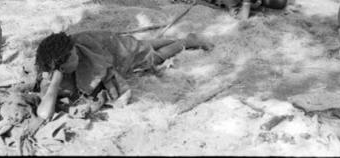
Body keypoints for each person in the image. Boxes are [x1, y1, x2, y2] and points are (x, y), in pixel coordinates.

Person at [34, 31, 214, 120]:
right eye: (73, 56)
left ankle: (186, 41)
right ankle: (183, 40)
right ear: (61, 66)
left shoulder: (81, 50)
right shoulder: (51, 75)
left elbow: (107, 75)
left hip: (108, 46)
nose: (76, 55)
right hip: (107, 50)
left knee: (149, 54)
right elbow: (44, 113)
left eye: (75, 52)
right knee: (147, 52)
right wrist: (56, 81)